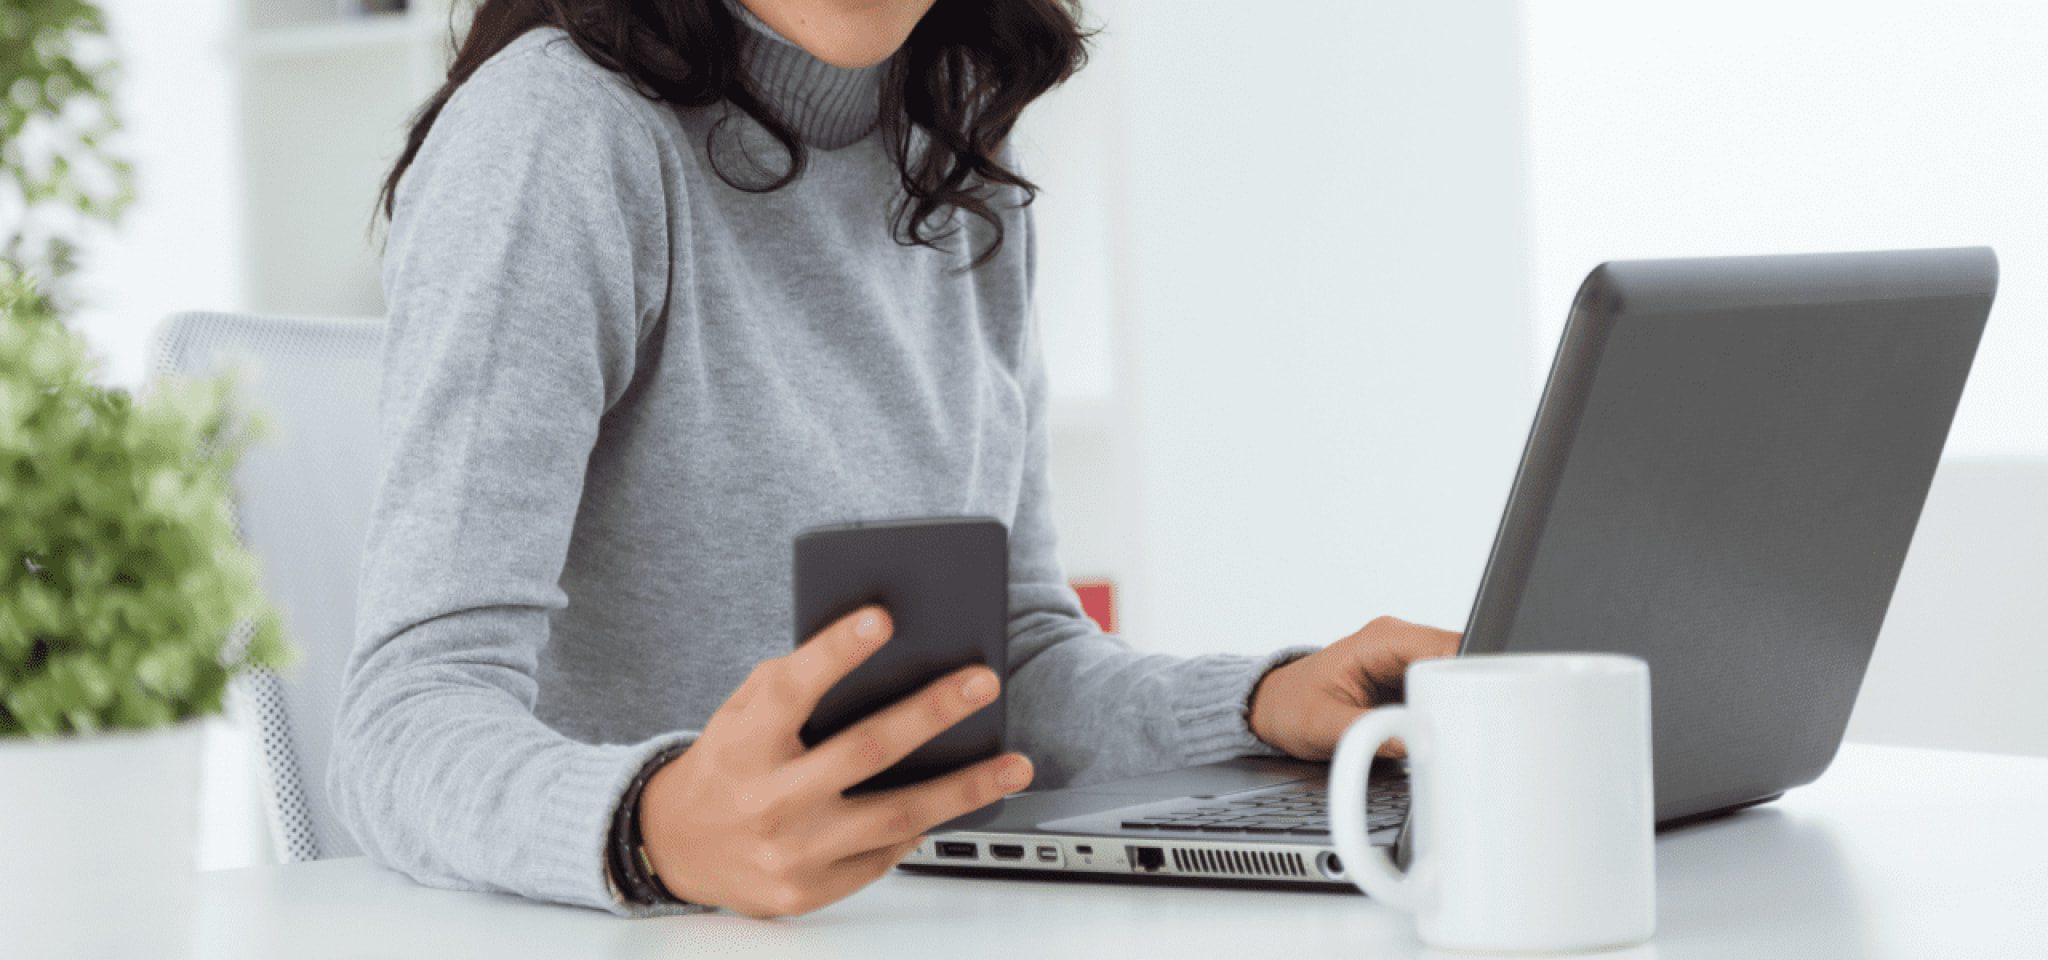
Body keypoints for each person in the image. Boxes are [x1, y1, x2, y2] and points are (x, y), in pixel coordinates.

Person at [329, 0, 1460, 920]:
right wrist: (653, 828)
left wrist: (1259, 703)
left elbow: (1008, 666)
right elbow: (403, 723)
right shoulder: (554, 134)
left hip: (905, 921)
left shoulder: (956, 143)